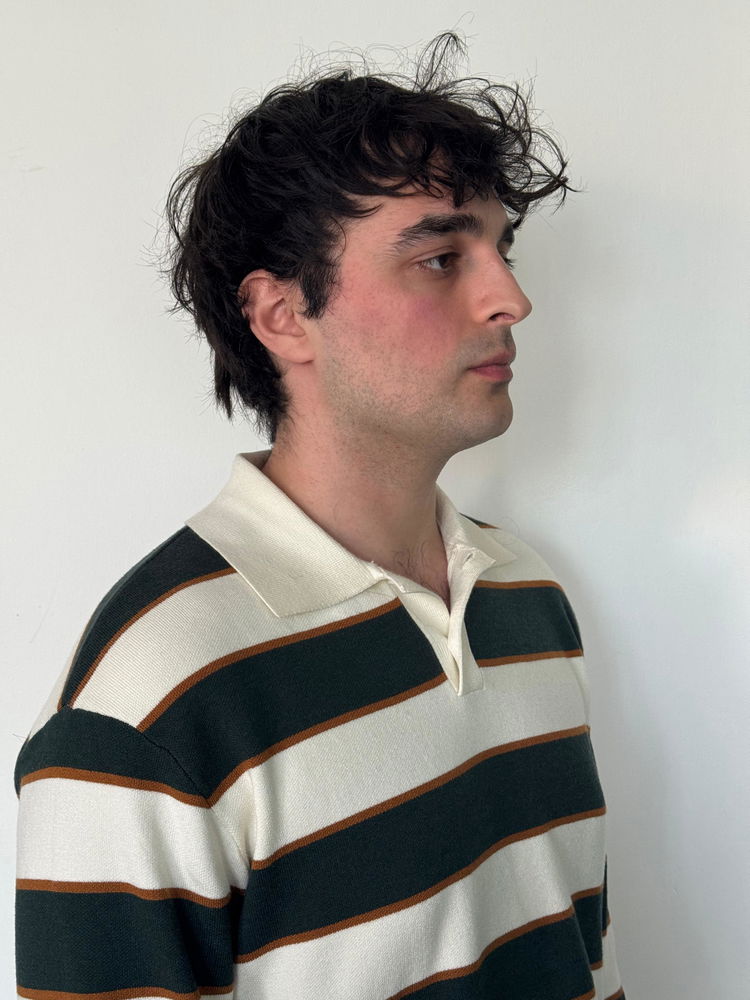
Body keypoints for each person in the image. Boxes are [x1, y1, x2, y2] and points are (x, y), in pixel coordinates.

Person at [15, 31, 625, 1000]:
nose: (511, 297)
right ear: (282, 315)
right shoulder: (150, 699)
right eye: (441, 257)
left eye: (499, 250)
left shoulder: (526, 595)